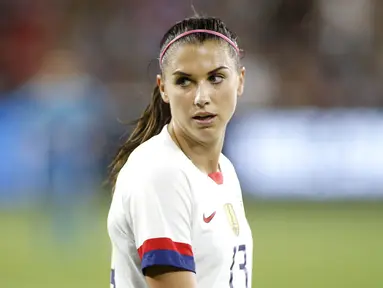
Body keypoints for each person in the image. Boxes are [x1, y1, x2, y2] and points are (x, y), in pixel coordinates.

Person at [107, 16, 253, 288]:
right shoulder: (161, 173)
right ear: (163, 88)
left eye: (216, 78)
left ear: (240, 81)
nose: (202, 97)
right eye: (185, 81)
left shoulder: (224, 170)